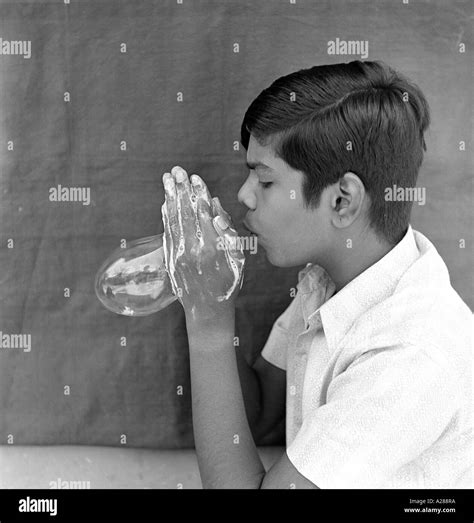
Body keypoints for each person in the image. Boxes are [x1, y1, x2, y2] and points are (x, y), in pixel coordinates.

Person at [161, 60, 472, 489]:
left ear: (342, 201)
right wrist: (207, 285)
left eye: (264, 181)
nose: (243, 195)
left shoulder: (408, 356)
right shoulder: (328, 282)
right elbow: (261, 412)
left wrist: (208, 322)